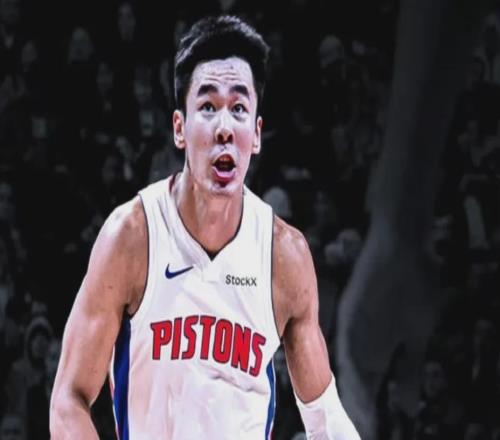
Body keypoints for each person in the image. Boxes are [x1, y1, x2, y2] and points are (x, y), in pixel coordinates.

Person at [50, 15, 360, 439]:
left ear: (256, 135)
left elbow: (325, 419)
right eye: (208, 107)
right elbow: (68, 400)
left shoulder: (283, 255)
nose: (224, 128)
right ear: (180, 129)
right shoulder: (133, 237)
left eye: (239, 109)